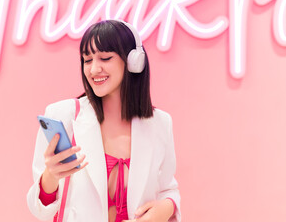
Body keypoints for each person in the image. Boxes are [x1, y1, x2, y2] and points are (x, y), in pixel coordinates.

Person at [27, 20, 181, 222]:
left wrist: (167, 207)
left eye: (105, 58)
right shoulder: (63, 115)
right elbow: (40, 211)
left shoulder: (160, 123)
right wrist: (51, 176)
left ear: (134, 61)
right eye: (87, 60)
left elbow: (168, 188)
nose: (93, 70)